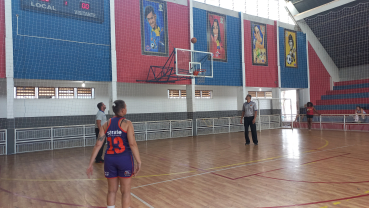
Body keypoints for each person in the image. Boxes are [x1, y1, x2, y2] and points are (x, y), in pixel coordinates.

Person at [86, 100, 142, 208]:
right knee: (125, 192)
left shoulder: (106, 124)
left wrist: (90, 164)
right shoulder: (127, 123)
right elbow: (132, 144)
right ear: (122, 110)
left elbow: (98, 145)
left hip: (109, 160)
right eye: (126, 107)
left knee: (111, 191)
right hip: (124, 159)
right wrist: (139, 162)